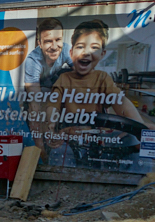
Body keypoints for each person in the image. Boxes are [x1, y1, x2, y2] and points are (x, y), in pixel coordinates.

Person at [47, 19, 155, 151]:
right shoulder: (64, 79)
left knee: (129, 144)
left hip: (97, 138)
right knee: (56, 151)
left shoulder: (102, 78)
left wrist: (140, 125)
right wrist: (52, 126)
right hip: (70, 139)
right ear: (71, 53)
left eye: (94, 48)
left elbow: (121, 102)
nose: (86, 52)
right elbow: (53, 106)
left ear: (102, 54)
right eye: (80, 47)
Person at [22, 18, 71, 160]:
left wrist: (64, 130)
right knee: (35, 111)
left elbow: (84, 77)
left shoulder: (67, 49)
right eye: (48, 41)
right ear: (40, 44)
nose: (55, 46)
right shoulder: (33, 61)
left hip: (55, 87)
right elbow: (34, 105)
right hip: (39, 91)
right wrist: (40, 150)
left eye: (58, 40)